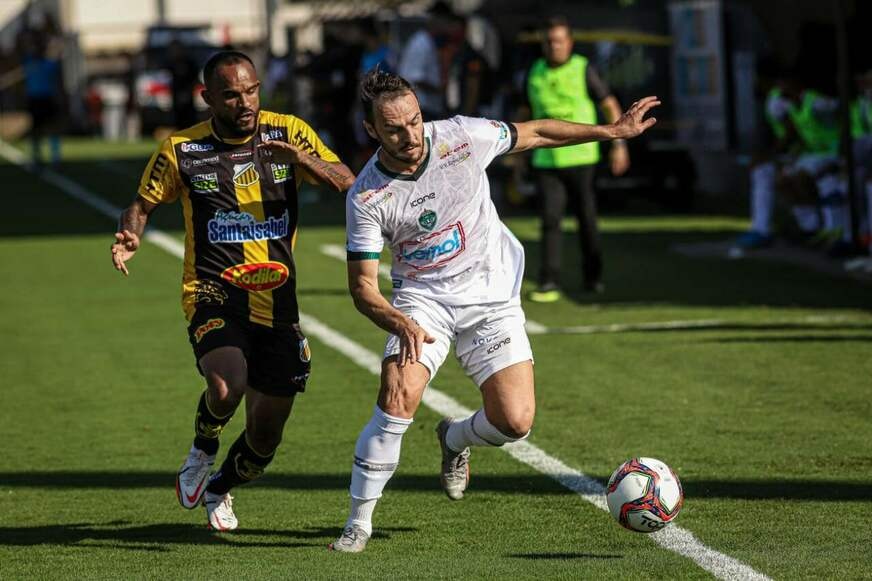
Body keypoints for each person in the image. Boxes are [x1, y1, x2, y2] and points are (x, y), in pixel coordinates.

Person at [329, 69, 658, 552]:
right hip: (424, 302)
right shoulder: (367, 195)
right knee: (397, 396)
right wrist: (401, 323)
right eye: (394, 129)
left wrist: (612, 131)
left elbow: (537, 132)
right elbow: (362, 288)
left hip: (491, 294)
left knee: (515, 422)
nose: (410, 135)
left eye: (415, 121)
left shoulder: (461, 137)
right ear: (371, 129)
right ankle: (358, 523)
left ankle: (455, 438)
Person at [110, 51, 355, 531]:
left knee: (264, 440)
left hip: (277, 300)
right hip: (212, 290)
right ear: (208, 98)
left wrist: (301, 159)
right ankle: (203, 448)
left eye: (251, 91)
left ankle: (220, 486)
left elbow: (347, 182)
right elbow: (141, 205)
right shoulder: (181, 149)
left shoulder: (289, 132)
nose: (245, 103)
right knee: (226, 386)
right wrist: (130, 235)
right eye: (231, 95)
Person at [526, 16, 632, 301]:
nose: (554, 46)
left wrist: (619, 144)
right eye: (549, 41)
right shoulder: (535, 71)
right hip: (547, 160)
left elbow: (609, 104)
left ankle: (593, 278)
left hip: (582, 158)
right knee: (550, 221)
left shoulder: (583, 68)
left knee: (587, 219)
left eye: (559, 41)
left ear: (570, 43)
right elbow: (525, 113)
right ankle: (549, 281)